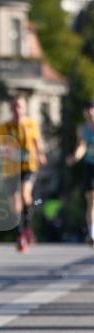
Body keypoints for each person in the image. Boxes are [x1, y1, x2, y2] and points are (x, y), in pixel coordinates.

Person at [0, 94, 46, 252]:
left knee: (25, 195)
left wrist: (41, 154)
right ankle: (20, 233)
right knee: (14, 203)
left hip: (28, 165)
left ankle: (27, 229)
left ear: (25, 108)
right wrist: (8, 151)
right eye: (14, 106)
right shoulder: (4, 127)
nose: (17, 109)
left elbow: (37, 142)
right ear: (11, 108)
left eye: (20, 106)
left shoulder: (31, 124)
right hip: (11, 168)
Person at [66, 101, 94, 245]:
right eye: (87, 110)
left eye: (92, 110)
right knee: (91, 199)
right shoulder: (82, 129)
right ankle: (92, 233)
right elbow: (81, 145)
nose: (90, 113)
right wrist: (75, 157)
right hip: (90, 166)